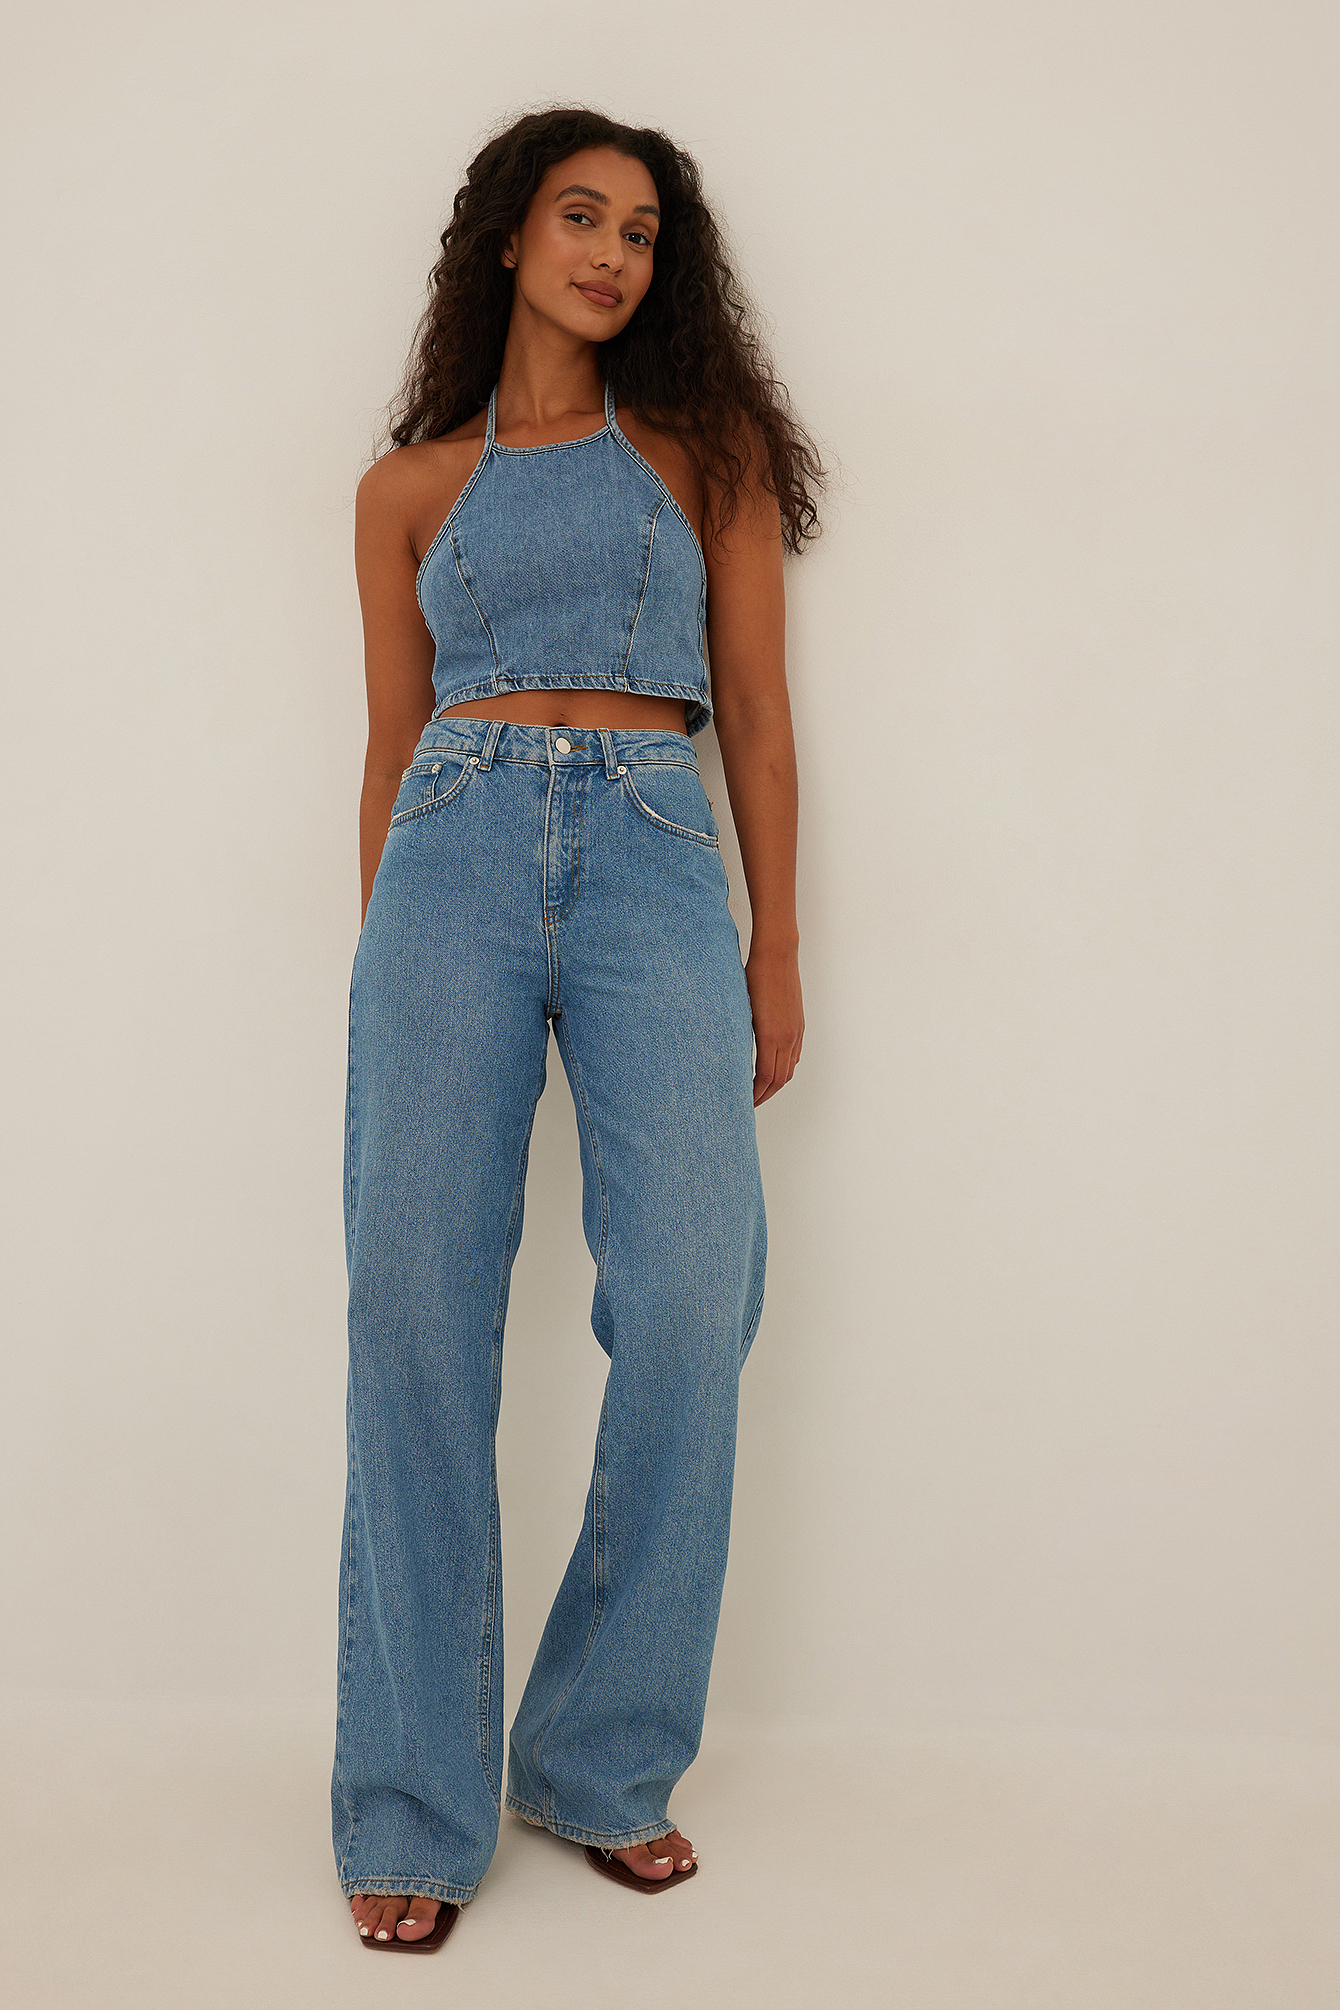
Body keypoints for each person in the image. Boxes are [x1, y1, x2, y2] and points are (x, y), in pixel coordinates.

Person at [334, 106, 824, 1950]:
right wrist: (383, 953)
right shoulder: (406, 489)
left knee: (695, 1293)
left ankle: (597, 1754)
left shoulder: (708, 457)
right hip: (447, 866)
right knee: (412, 1316)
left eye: (640, 232)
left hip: (650, 858)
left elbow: (754, 716)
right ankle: (410, 1796)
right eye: (580, 216)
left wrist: (777, 949)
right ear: (510, 237)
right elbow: (391, 743)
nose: (612, 253)